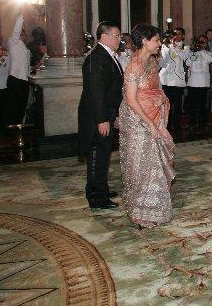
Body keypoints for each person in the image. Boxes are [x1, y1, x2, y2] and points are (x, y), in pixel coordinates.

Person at [119, 24, 175, 228]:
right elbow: (131, 99)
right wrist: (149, 122)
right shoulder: (134, 65)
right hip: (137, 119)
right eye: (157, 40)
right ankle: (139, 211)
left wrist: (160, 101)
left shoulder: (152, 61)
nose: (159, 44)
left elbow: (155, 87)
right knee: (140, 165)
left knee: (155, 163)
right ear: (145, 41)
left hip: (153, 114)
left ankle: (153, 208)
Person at [78, 21, 124, 210]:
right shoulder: (97, 58)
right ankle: (97, 197)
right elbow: (96, 92)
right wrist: (102, 119)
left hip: (107, 113)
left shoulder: (107, 55)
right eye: (117, 35)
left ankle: (101, 189)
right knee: (97, 154)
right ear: (104, 36)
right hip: (98, 117)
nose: (120, 39)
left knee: (104, 154)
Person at [159, 27, 190, 132]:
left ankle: (177, 125)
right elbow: (162, 63)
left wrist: (174, 46)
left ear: (183, 36)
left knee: (177, 105)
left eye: (178, 34)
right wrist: (167, 48)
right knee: (166, 104)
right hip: (165, 79)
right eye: (174, 34)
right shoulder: (165, 47)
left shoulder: (186, 47)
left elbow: (183, 57)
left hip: (177, 80)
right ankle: (166, 125)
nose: (176, 36)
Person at [3, 14, 31, 129]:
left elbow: (25, 65)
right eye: (22, 34)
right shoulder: (13, 42)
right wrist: (21, 16)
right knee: (13, 107)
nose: (24, 36)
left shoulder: (24, 47)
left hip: (24, 80)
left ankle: (19, 129)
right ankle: (11, 129)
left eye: (24, 34)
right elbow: (16, 30)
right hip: (15, 79)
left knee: (21, 106)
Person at [186, 36, 212, 131]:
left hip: (203, 82)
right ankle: (192, 123)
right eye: (199, 42)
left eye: (203, 42)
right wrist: (193, 52)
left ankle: (203, 123)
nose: (201, 44)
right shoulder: (191, 52)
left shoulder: (208, 53)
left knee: (203, 105)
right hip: (193, 82)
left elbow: (209, 60)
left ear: (205, 44)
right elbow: (188, 63)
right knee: (192, 105)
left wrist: (201, 50)